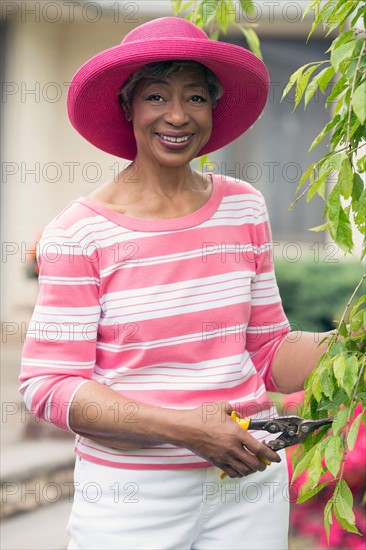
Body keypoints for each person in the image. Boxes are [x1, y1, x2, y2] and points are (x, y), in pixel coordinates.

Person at [19, 16, 331, 550]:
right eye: (157, 96)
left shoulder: (242, 206)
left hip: (249, 482)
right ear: (127, 108)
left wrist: (348, 347)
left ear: (213, 108)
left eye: (195, 97)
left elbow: (267, 350)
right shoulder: (80, 232)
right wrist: (187, 428)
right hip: (134, 497)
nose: (178, 115)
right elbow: (48, 387)